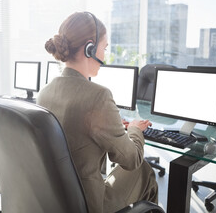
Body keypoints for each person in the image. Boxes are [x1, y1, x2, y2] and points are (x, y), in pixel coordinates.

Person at [37, 12, 158, 213]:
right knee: (143, 169)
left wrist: (112, 124)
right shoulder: (98, 96)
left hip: (54, 200)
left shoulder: (44, 92)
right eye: (104, 48)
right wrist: (135, 130)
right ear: (89, 48)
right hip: (88, 204)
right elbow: (131, 160)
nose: (105, 55)